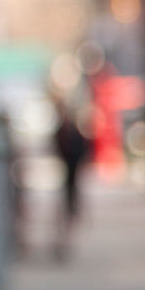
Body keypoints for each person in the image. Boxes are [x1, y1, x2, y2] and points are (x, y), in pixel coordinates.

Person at [53, 100, 89, 254]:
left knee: (74, 188)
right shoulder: (62, 130)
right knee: (69, 188)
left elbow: (82, 145)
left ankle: (74, 209)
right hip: (68, 163)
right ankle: (70, 209)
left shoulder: (73, 130)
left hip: (73, 163)